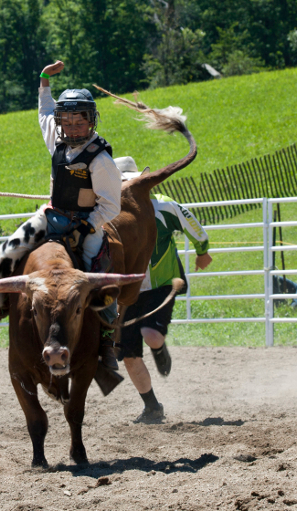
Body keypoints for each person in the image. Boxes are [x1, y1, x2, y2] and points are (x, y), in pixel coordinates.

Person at [0, 60, 123, 369]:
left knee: (98, 276)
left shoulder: (100, 160)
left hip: (87, 224)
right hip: (51, 215)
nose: (72, 128)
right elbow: (44, 111)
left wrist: (86, 226)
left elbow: (111, 205)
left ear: (91, 121)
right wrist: (44, 79)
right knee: (4, 254)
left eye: (79, 122)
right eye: (67, 122)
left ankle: (108, 340)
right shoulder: (57, 141)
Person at [113, 157, 212, 423]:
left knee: (151, 334)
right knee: (129, 355)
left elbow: (194, 227)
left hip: (162, 283)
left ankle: (158, 348)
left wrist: (202, 252)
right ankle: (152, 407)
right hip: (126, 292)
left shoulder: (163, 206)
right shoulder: (106, 212)